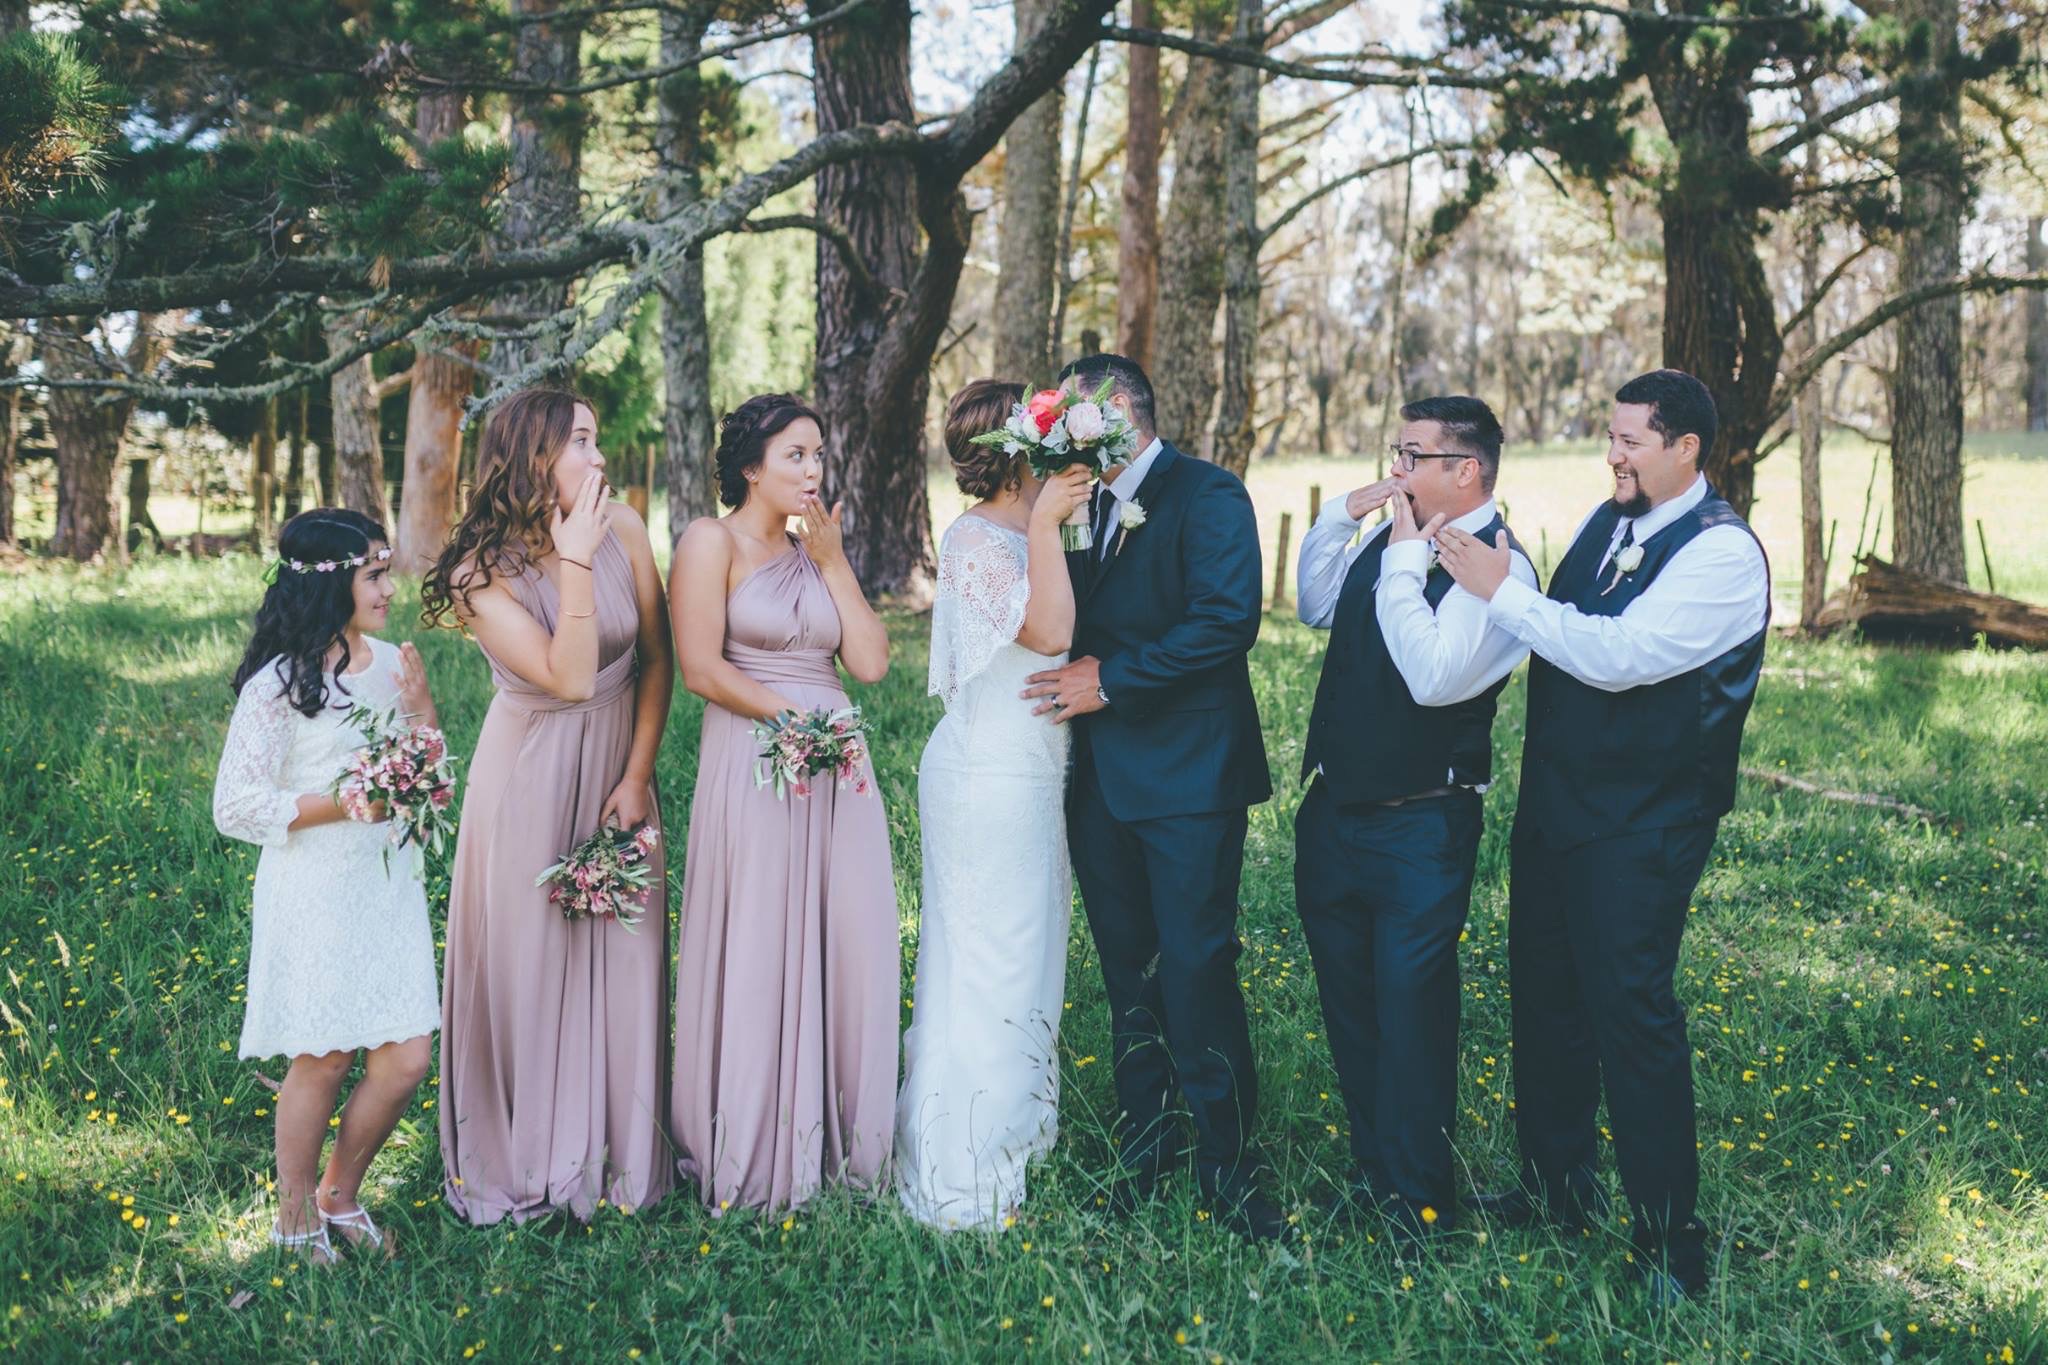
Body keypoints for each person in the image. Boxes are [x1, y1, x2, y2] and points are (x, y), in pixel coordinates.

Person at [1435, 368, 1770, 1302]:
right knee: (1546, 998)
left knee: (1633, 1016)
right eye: (1612, 436)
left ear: (1686, 448)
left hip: (1647, 822)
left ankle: (1671, 1243)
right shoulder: (1609, 520)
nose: (1612, 453)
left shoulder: (1722, 553)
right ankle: (1556, 1189)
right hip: (1559, 808)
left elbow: (1620, 659)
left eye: (1631, 440)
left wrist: (1505, 592)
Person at [1020, 353, 1280, 1239]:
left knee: (1199, 965)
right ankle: (1147, 1147)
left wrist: (1113, 681)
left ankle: (1230, 1164)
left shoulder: (1208, 494)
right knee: (1129, 973)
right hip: (1096, 782)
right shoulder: (1073, 502)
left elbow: (1225, 621)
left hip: (1188, 780)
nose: (1059, 433)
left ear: (1121, 409)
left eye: (1073, 416)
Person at [425, 389, 675, 1224]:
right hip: (528, 776)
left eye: (598, 438)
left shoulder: (630, 528)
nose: (598, 457)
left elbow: (656, 657)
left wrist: (637, 774)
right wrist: (572, 558)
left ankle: (618, 1150)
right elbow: (567, 674)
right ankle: (526, 1151)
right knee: (531, 962)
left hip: (616, 764)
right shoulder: (478, 573)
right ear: (534, 458)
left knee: (623, 956)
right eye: (580, 441)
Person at [1292, 396, 1535, 1244]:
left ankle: (1422, 1203)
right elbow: (1316, 604)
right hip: (1335, 815)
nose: (1396, 470)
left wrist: (1401, 563)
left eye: (1412, 455)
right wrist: (1338, 515)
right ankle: (1375, 1174)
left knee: (1412, 1015)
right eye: (1395, 451)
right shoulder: (1390, 535)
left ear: (1464, 470)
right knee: (1351, 1006)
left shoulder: (1505, 567)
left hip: (1421, 828)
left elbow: (1435, 675)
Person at [668, 393, 897, 1214]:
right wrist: (788, 717)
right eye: (796, 455)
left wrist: (834, 561)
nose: (812, 470)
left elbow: (869, 664)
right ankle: (759, 1139)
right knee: (763, 931)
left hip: (839, 762)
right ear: (751, 466)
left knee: (850, 933)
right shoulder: (709, 541)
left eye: (819, 455)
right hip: (759, 751)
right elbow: (699, 667)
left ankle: (844, 1138)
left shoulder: (817, 551)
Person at [213, 508, 440, 1262]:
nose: (388, 584)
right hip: (314, 886)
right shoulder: (279, 683)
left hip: (384, 882)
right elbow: (235, 804)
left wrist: (421, 715)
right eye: (374, 571)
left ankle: (341, 1191)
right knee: (326, 1052)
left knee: (406, 1056)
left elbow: (425, 774)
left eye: (385, 568)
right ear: (332, 582)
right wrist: (342, 801)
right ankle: (294, 1212)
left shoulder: (387, 663)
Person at [895, 380, 1094, 1229]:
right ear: (1025, 452)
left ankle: (1016, 1135)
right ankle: (959, 1170)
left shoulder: (1033, 527)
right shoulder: (977, 539)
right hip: (986, 778)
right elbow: (1049, 634)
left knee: (1032, 954)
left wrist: (1051, 523)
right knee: (985, 962)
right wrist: (1048, 522)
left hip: (1035, 771)